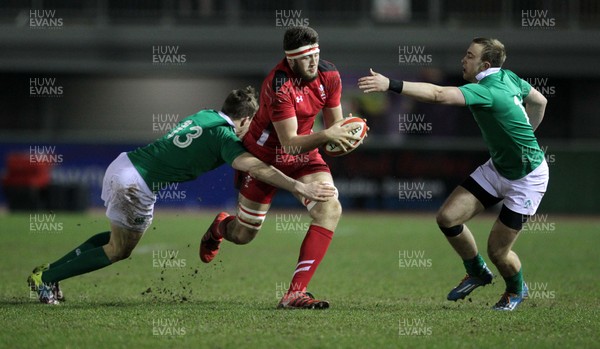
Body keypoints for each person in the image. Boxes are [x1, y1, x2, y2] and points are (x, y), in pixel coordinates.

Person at [27, 86, 336, 305]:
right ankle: (48, 280)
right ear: (244, 120)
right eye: (250, 125)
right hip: (137, 184)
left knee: (114, 240)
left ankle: (47, 272)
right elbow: (255, 167)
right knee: (118, 250)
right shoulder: (226, 136)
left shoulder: (205, 115)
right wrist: (299, 187)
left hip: (123, 165)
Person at [358, 37, 549, 311]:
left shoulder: (487, 90)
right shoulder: (509, 77)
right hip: (499, 167)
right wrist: (526, 135)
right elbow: (540, 101)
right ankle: (477, 272)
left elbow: (438, 95)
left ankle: (515, 290)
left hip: (527, 179)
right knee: (447, 218)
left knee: (498, 251)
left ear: (484, 64)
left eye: (469, 56)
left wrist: (391, 84)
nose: (463, 60)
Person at [199, 27, 362, 309]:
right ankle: (219, 228)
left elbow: (334, 130)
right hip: (264, 158)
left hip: (305, 155)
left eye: (316, 53)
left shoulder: (330, 75)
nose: (313, 61)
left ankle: (295, 293)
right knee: (243, 234)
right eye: (306, 57)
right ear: (290, 59)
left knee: (330, 207)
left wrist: (348, 136)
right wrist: (328, 136)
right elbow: (289, 144)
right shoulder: (278, 85)